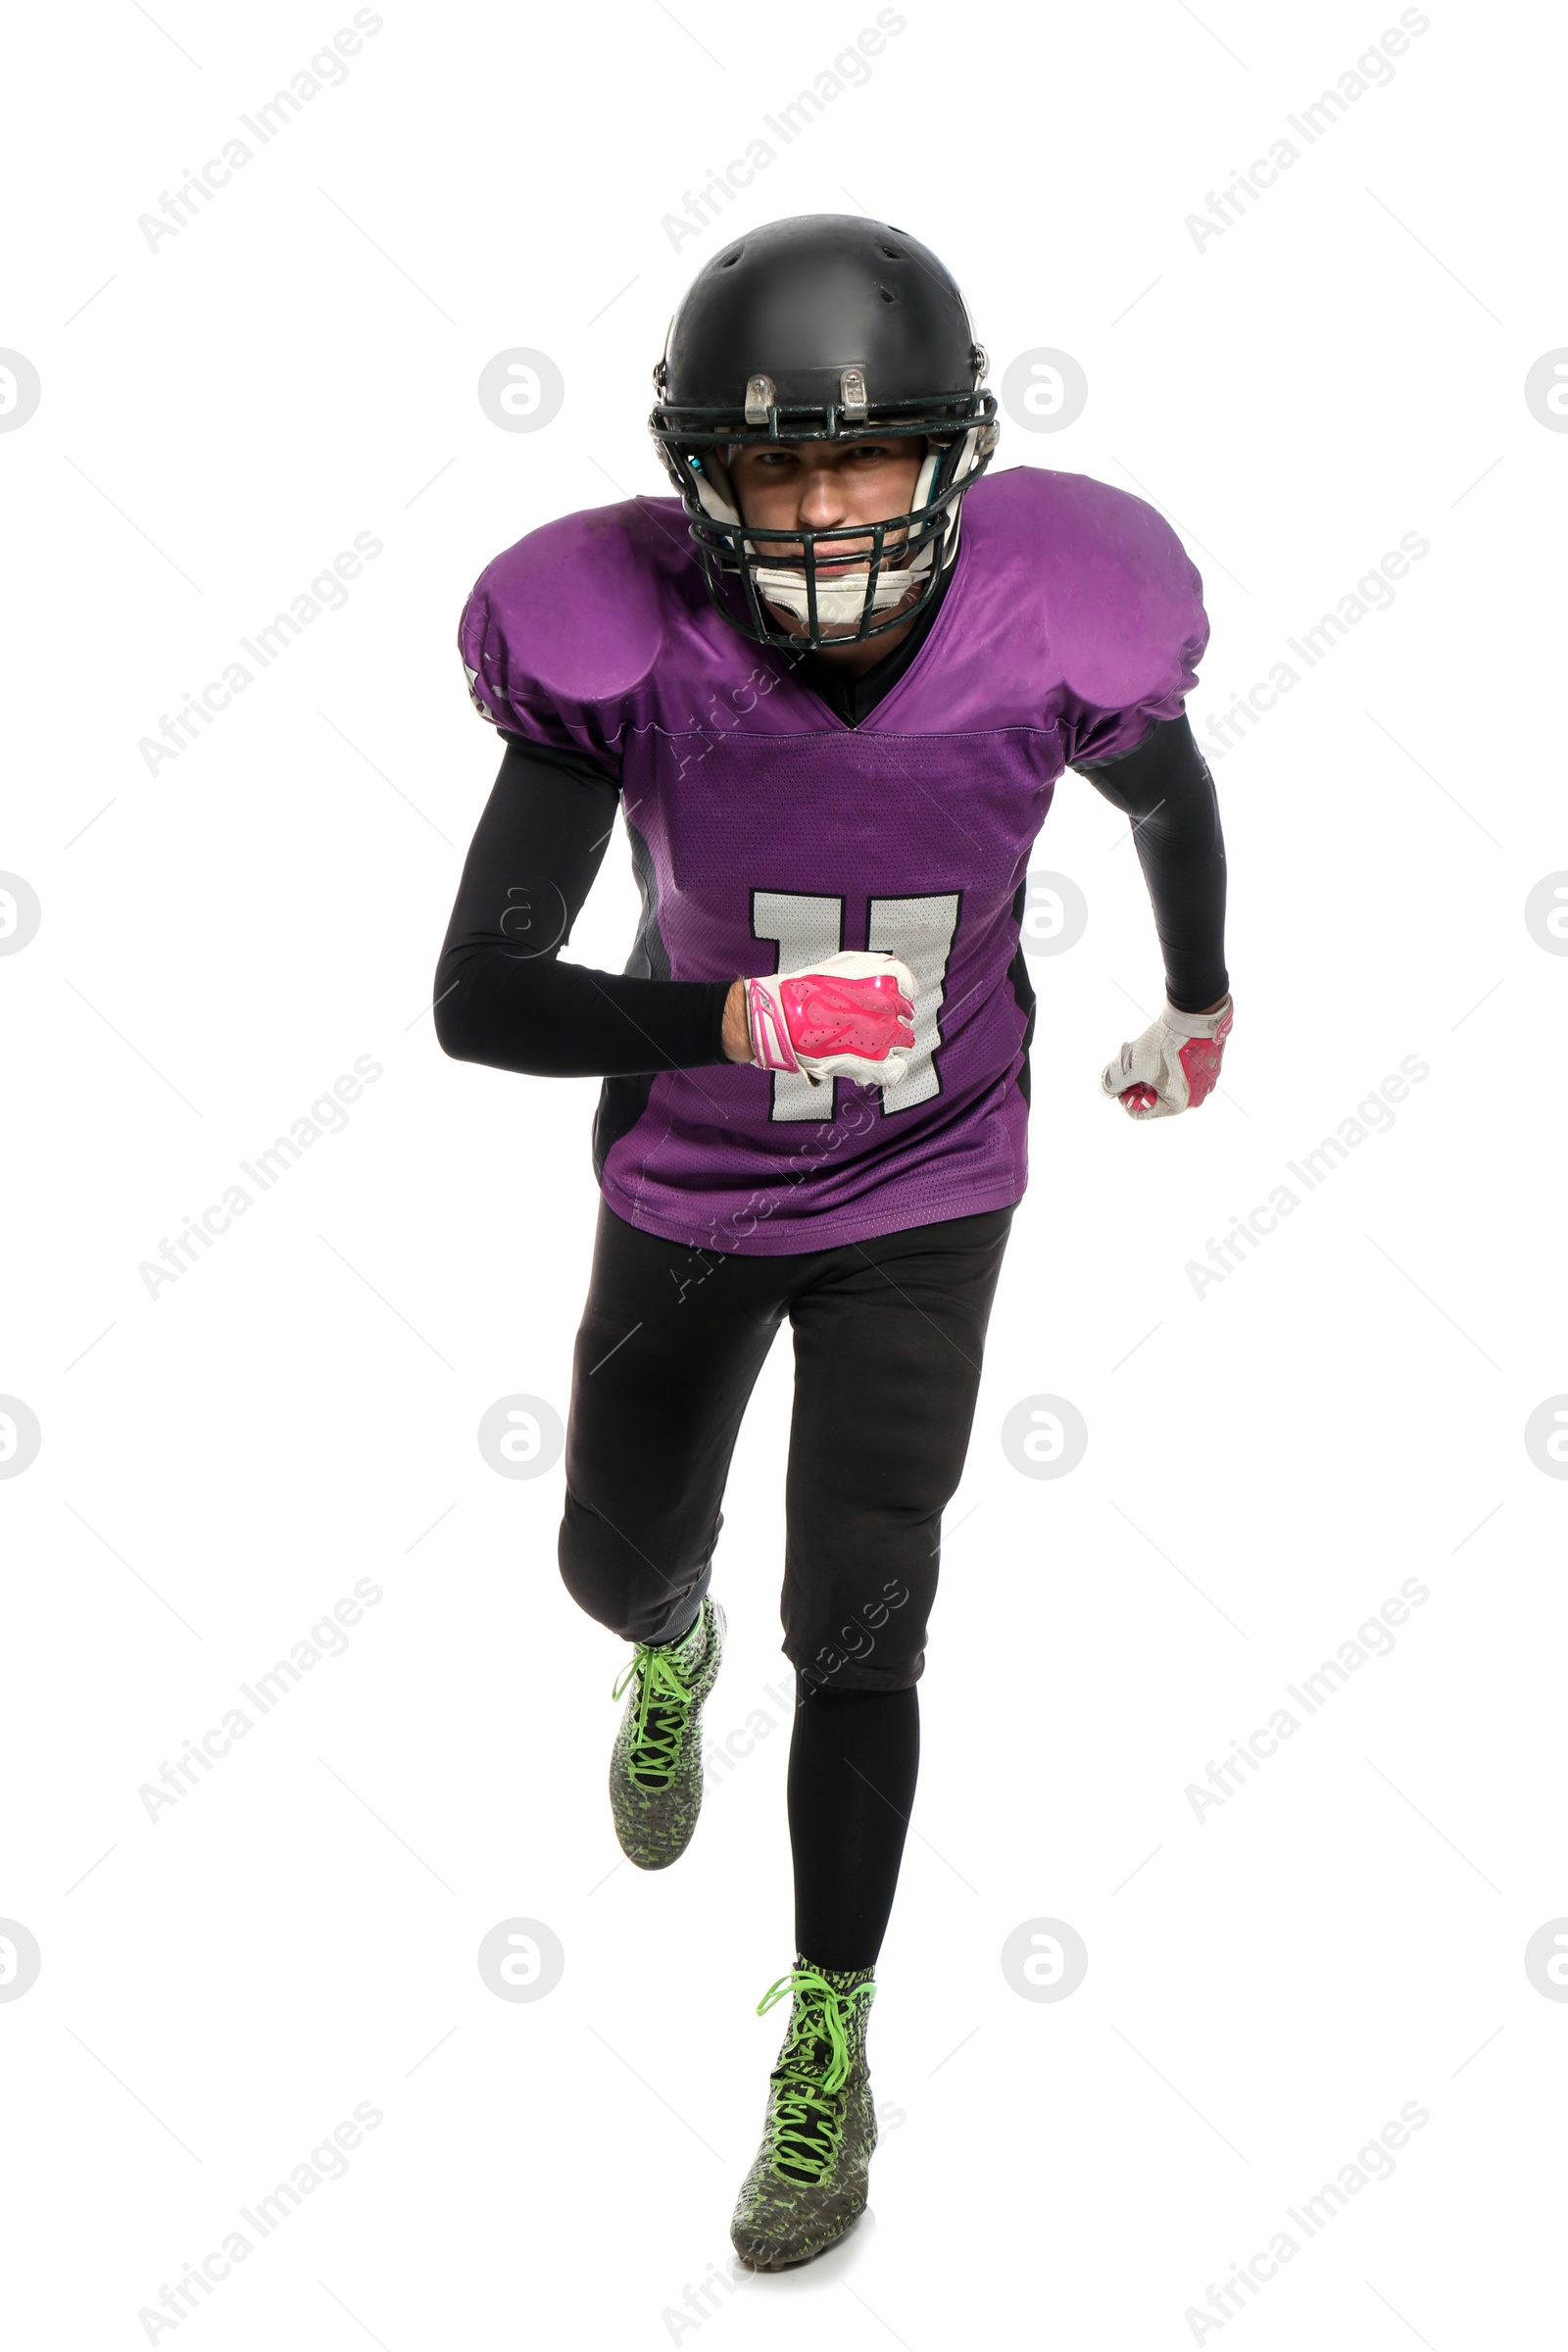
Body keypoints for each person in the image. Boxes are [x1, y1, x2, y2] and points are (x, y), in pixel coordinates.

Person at [434, 213, 1233, 2270]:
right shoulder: (617, 648)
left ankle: (828, 2042)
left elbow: (1161, 796)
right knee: (612, 1565)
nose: (813, 511)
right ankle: (667, 1653)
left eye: (855, 463)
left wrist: (1200, 987)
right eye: (772, 468)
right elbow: (480, 992)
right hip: (691, 1178)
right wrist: (730, 1020)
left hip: (927, 1184)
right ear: (698, 475)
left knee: (863, 1622)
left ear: (952, 458)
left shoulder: (1059, 616)